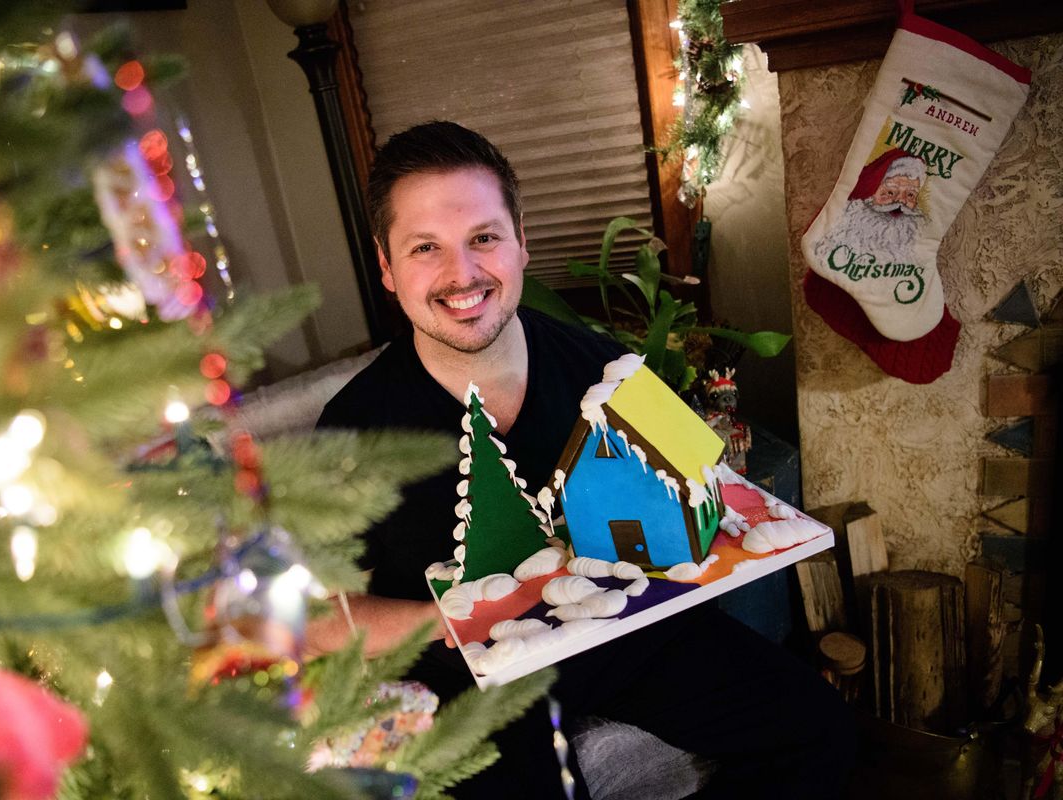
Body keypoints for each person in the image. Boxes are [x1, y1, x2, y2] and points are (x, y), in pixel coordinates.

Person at [313, 121, 855, 799]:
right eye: (427, 247)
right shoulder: (352, 431)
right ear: (388, 267)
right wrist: (448, 619)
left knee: (817, 731)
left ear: (520, 241)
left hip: (623, 630)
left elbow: (690, 485)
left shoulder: (600, 367)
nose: (463, 273)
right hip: (471, 686)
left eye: (484, 237)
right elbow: (308, 618)